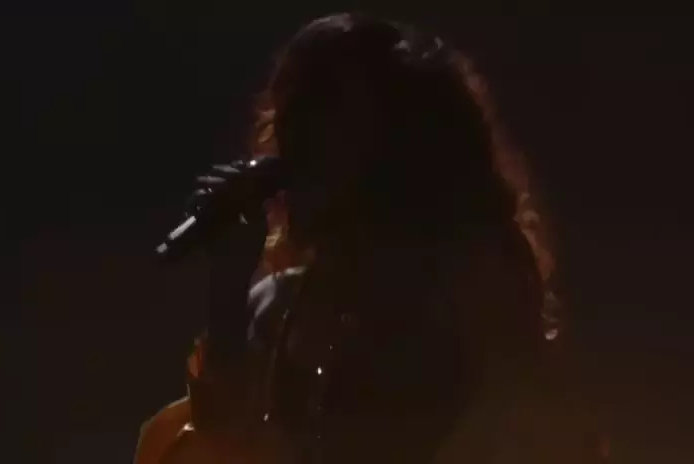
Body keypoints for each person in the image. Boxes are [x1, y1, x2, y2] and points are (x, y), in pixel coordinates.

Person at [136, 12, 607, 464]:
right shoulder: (278, 311)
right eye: (290, 112)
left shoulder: (476, 308)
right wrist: (226, 299)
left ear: (400, 142)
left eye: (325, 113)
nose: (295, 140)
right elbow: (222, 452)